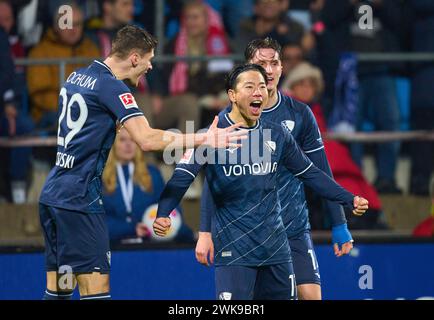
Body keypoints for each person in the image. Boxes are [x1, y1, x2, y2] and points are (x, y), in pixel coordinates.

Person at [38, 24, 246, 301]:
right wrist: (203, 137)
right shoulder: (112, 87)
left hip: (52, 195)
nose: (149, 67)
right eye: (148, 59)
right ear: (134, 57)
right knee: (95, 292)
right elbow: (147, 140)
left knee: (59, 289)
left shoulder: (78, 75)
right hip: (80, 200)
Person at [153, 63, 369, 300]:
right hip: (235, 252)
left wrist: (348, 198)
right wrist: (164, 211)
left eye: (262, 87)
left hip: (277, 252)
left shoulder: (277, 134)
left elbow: (311, 173)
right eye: (249, 86)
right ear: (232, 95)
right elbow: (183, 175)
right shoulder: (211, 135)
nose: (258, 92)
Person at [196, 38, 356, 300]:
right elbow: (215, 183)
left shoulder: (300, 114)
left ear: (282, 68)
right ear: (248, 68)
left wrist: (339, 222)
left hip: (292, 228)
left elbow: (320, 171)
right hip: (245, 234)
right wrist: (206, 231)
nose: (269, 71)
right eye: (261, 64)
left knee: (311, 296)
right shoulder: (228, 121)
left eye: (274, 63)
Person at [102, 127, 194, 243]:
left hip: (147, 246)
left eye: (133, 140)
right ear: (113, 144)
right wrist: (131, 229)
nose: (129, 144)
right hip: (113, 247)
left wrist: (188, 235)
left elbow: (169, 207)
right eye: (122, 140)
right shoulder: (100, 177)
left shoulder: (152, 174)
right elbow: (97, 222)